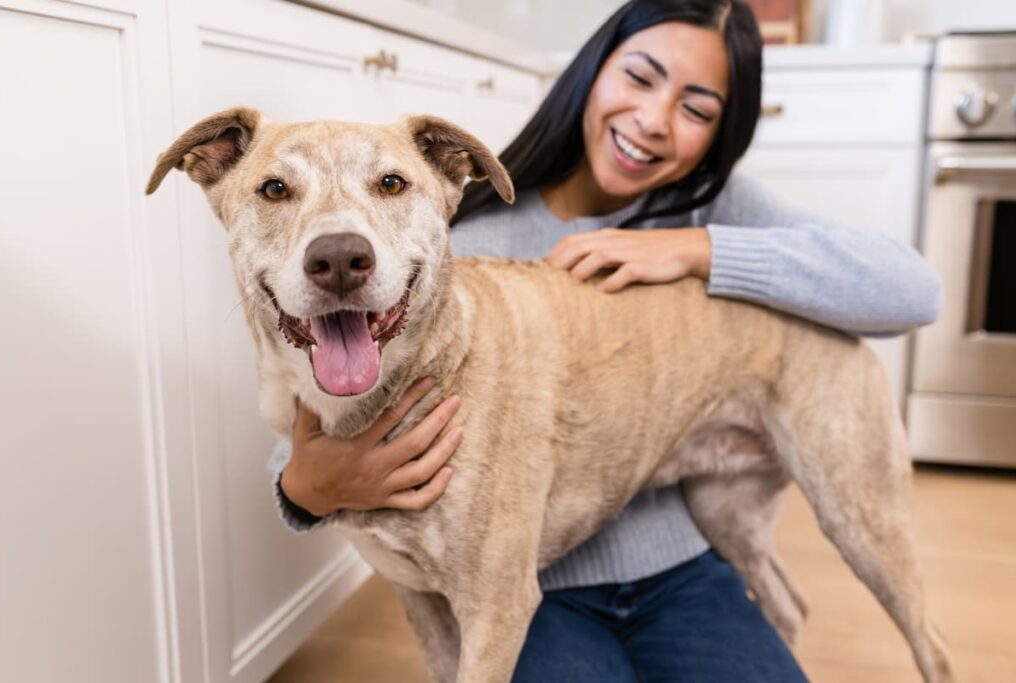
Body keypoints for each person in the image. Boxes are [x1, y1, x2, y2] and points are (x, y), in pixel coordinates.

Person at [269, 0, 942, 680]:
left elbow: (915, 290)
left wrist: (701, 248)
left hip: (681, 564)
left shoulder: (709, 206)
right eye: (641, 77)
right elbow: (322, 410)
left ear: (719, 133)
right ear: (591, 70)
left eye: (697, 109)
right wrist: (303, 487)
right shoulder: (446, 246)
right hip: (539, 584)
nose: (653, 120)